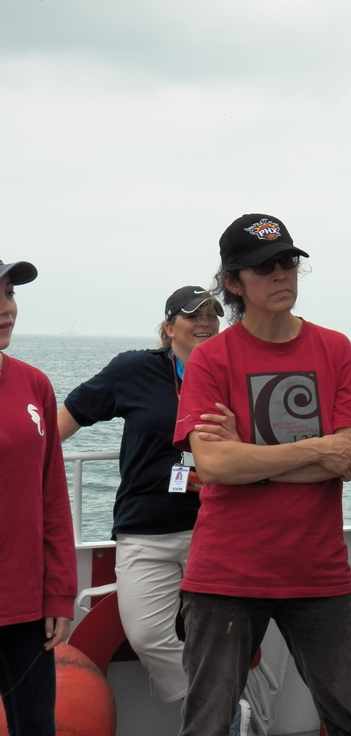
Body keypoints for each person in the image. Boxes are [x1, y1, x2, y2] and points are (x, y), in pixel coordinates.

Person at [173, 213, 351, 736]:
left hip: (317, 571)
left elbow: (349, 458)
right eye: (264, 267)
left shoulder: (335, 349)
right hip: (225, 573)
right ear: (232, 282)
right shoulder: (210, 359)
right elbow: (214, 464)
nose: (281, 274)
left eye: (287, 262)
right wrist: (315, 450)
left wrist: (248, 456)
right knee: (207, 725)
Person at [57, 286, 279, 734]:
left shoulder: (231, 372)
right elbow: (71, 413)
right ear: (168, 326)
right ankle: (228, 709)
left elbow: (263, 445)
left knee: (227, 636)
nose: (204, 323)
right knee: (146, 634)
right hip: (146, 529)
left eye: (212, 315)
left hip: (216, 527)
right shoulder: (135, 370)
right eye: (192, 315)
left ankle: (222, 718)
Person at [0, 258, 76, 736]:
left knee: (36, 727)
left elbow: (52, 497)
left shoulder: (35, 384)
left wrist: (59, 592)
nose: (7, 308)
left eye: (9, 295)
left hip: (26, 608)